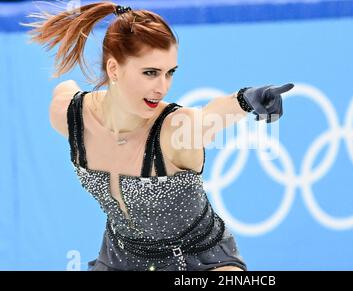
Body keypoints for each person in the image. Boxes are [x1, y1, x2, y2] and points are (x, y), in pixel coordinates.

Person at [22, 1, 293, 271]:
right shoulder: (70, 117)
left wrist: (245, 99)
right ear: (114, 69)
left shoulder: (173, 129)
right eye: (150, 73)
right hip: (119, 258)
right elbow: (64, 90)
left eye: (169, 73)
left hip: (199, 258)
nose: (162, 87)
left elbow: (209, 118)